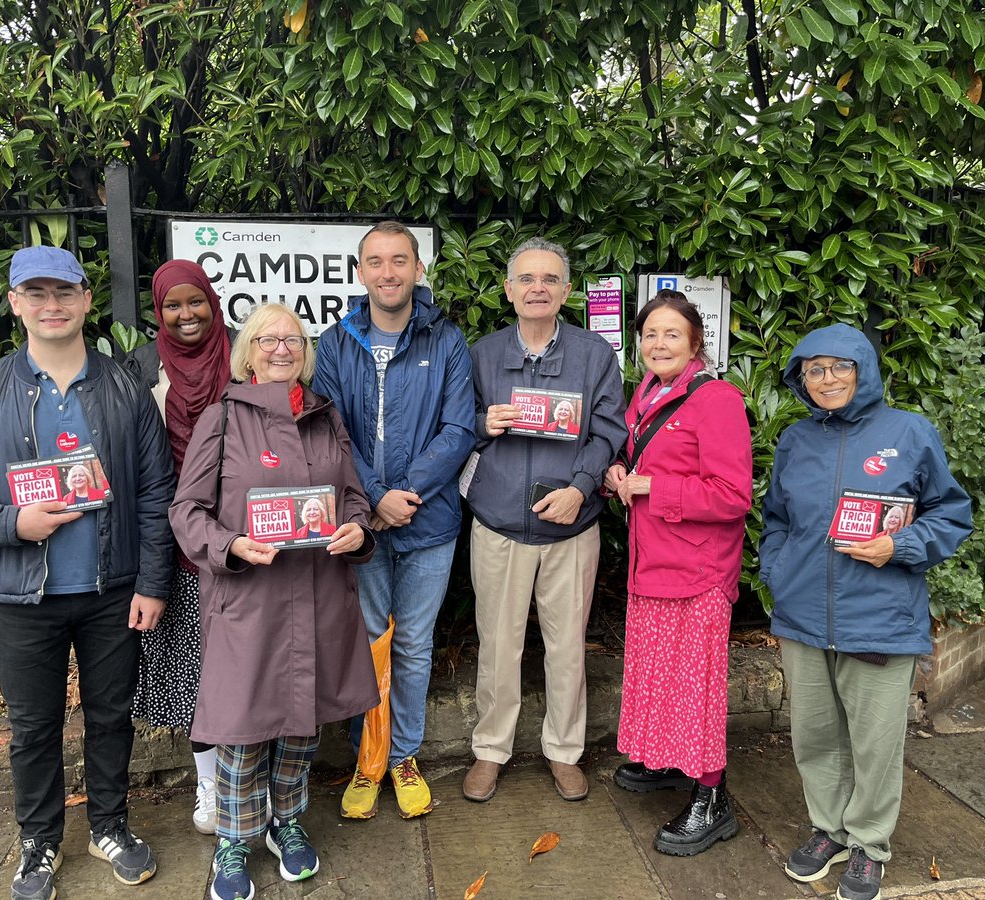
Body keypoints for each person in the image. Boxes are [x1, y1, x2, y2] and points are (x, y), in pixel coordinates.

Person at [0, 246, 175, 900]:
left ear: (87, 299)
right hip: (22, 594)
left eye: (64, 292)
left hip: (111, 590)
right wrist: (12, 522)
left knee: (112, 716)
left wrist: (152, 582)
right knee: (34, 727)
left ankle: (109, 826)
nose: (51, 306)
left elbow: (155, 490)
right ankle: (38, 841)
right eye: (36, 293)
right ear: (15, 304)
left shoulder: (125, 388)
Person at [169, 303, 379, 899]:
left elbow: (353, 497)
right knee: (243, 726)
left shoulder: (325, 417)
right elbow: (186, 512)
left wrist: (358, 528)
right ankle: (234, 839)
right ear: (248, 353)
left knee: (301, 723)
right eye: (268, 339)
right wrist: (230, 544)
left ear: (305, 351)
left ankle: (287, 822)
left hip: (319, 592)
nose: (281, 348)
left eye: (292, 339)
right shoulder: (222, 418)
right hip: (249, 599)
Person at [760, 323, 972, 900]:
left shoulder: (910, 432)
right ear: (801, 379)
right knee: (815, 737)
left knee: (875, 745)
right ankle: (829, 830)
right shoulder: (796, 439)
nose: (827, 378)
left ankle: (869, 844)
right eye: (814, 369)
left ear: (864, 370)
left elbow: (951, 514)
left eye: (839, 366)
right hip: (804, 617)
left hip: (879, 617)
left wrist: (897, 546)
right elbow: (777, 519)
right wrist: (777, 571)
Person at [313, 220, 475, 821]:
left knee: (411, 644)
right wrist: (376, 497)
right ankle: (368, 759)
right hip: (361, 522)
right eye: (376, 262)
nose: (388, 272)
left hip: (429, 523)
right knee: (367, 643)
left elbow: (459, 429)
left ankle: (403, 756)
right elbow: (331, 430)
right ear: (361, 272)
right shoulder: (336, 343)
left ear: (418, 268)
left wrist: (405, 494)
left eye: (400, 260)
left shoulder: (447, 340)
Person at [461, 237, 626, 803]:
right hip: (499, 523)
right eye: (527, 279)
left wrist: (580, 489)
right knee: (497, 645)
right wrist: (483, 423)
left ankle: (564, 750)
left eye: (550, 279)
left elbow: (609, 430)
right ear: (508, 291)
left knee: (567, 646)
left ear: (567, 290)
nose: (538, 288)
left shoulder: (594, 355)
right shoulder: (482, 354)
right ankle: (490, 750)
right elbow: (453, 422)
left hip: (571, 525)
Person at [603, 290, 752, 856]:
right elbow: (636, 452)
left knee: (697, 686)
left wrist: (652, 487)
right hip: (654, 561)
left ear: (695, 342)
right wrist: (619, 471)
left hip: (698, 571)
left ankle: (712, 798)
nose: (659, 344)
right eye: (650, 334)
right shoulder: (648, 391)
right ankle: (669, 761)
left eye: (672, 334)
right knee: (661, 674)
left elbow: (733, 495)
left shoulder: (717, 399)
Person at [126, 259, 233, 837]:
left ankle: (249, 782)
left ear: (212, 303)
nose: (186, 314)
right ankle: (209, 784)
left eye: (196, 302)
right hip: (178, 542)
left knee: (246, 664)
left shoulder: (241, 353)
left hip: (241, 537)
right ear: (158, 310)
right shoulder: (143, 366)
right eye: (173, 305)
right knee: (196, 673)